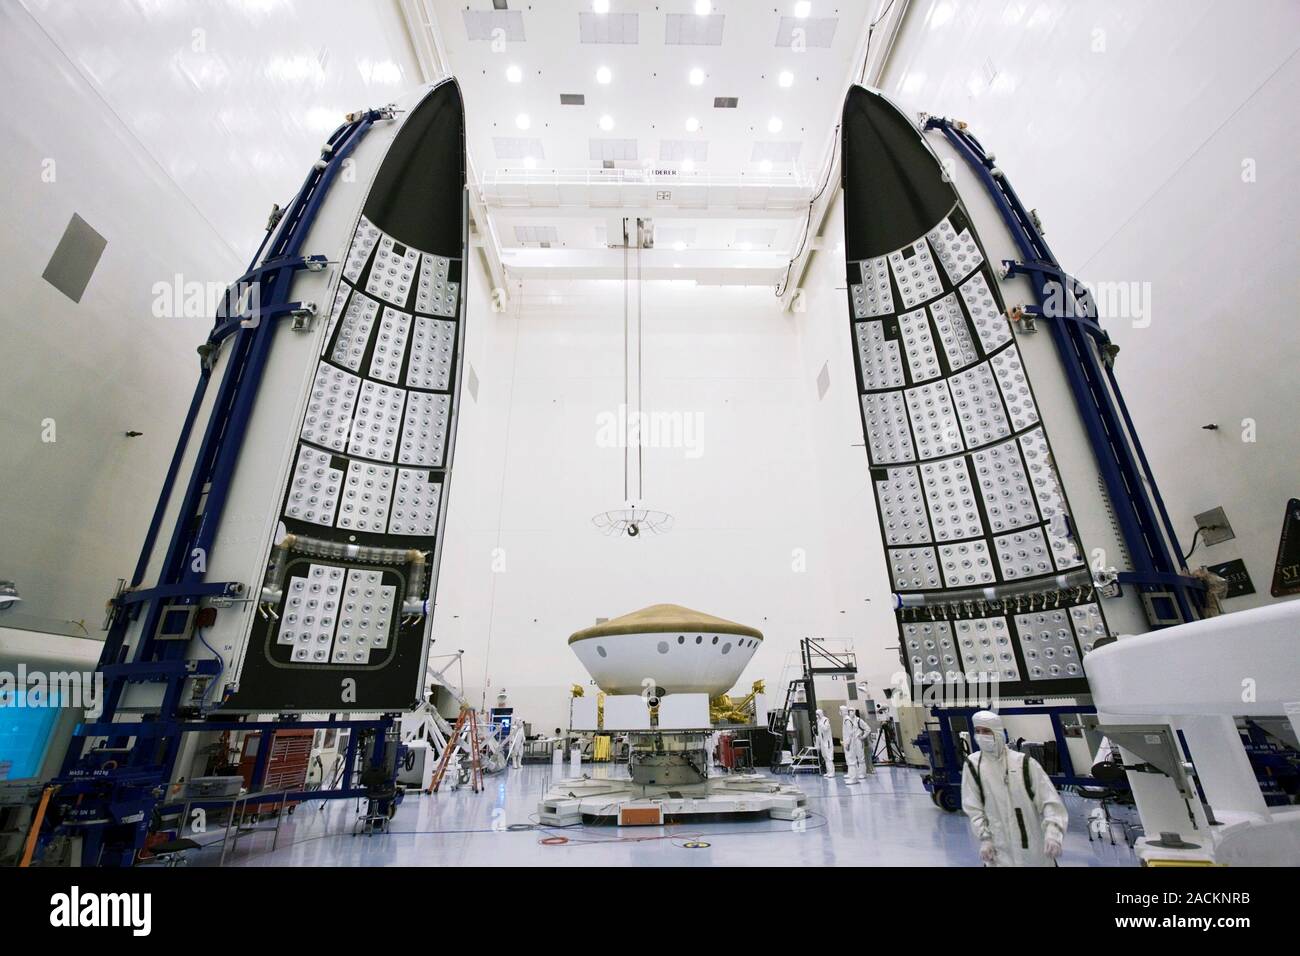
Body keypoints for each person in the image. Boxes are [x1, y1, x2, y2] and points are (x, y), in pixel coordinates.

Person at [961, 710, 1067, 867]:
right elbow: (973, 808)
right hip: (999, 853)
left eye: (986, 731)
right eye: (977, 731)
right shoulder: (973, 765)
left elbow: (1050, 802)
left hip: (1033, 851)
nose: (981, 735)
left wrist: (1053, 833)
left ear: (997, 733)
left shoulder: (1023, 763)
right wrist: (985, 839)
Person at [815, 708, 835, 779]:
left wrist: (820, 723)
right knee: (825, 757)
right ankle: (828, 771)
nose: (817, 716)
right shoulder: (818, 721)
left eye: (818, 714)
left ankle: (832, 772)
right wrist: (818, 743)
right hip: (822, 742)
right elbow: (819, 733)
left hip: (827, 742)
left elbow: (826, 729)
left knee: (829, 757)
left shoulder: (825, 720)